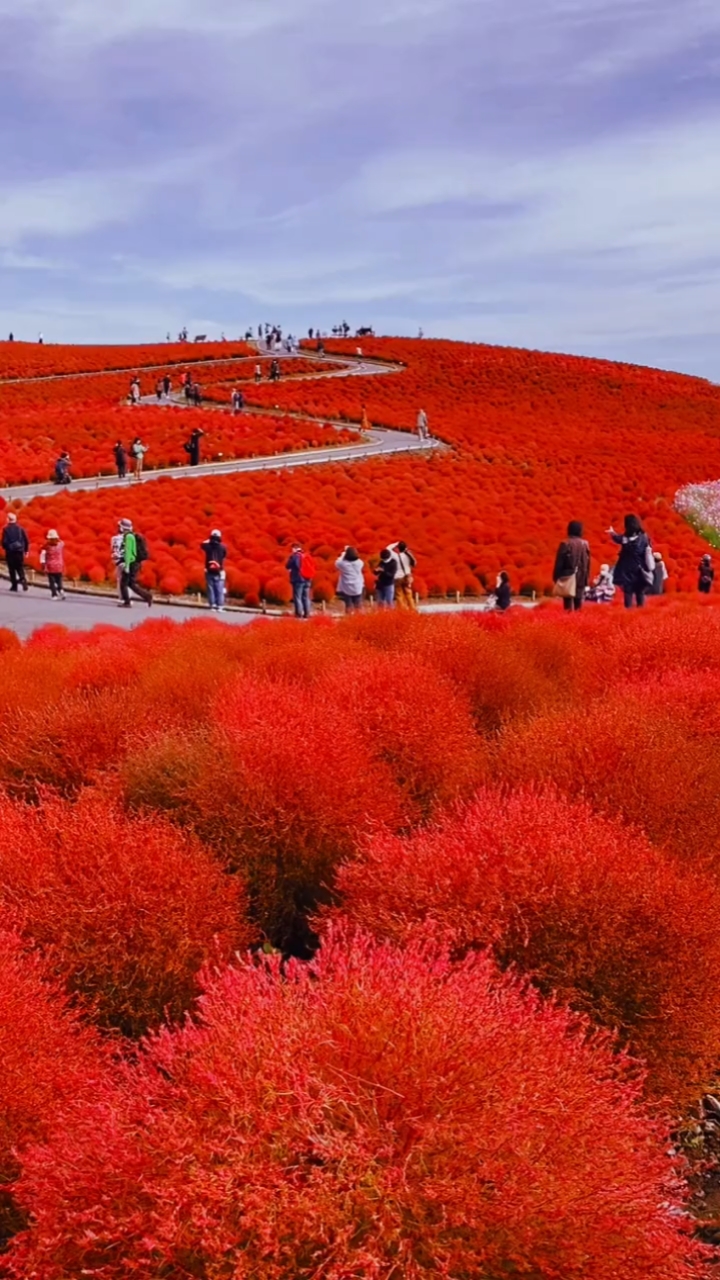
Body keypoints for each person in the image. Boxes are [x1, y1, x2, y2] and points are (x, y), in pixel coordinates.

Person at [608, 514, 654, 609]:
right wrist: (613, 533)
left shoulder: (625, 539)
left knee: (628, 592)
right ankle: (640, 614)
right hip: (640, 569)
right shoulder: (644, 537)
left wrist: (613, 534)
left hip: (627, 570)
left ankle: (629, 614)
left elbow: (619, 539)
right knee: (639, 592)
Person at [553, 520, 591, 611]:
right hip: (581, 576)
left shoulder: (565, 543)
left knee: (567, 602)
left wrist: (556, 576)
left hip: (567, 575)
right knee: (578, 601)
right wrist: (587, 578)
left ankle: (568, 620)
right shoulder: (585, 544)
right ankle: (578, 621)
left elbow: (559, 562)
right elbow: (588, 563)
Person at [118, 519, 152, 608]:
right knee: (131, 583)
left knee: (123, 584)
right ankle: (147, 596)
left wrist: (127, 566)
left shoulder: (128, 537)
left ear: (123, 528)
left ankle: (127, 602)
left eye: (119, 526)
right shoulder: (131, 535)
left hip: (132, 563)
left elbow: (128, 552)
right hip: (135, 563)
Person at [201, 529, 227, 611]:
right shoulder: (223, 547)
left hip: (209, 570)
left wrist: (209, 539)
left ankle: (212, 605)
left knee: (210, 588)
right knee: (219, 588)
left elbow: (202, 544)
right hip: (219, 571)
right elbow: (224, 556)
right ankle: (220, 606)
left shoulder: (207, 546)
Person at [2, 513, 29, 591]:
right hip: (19, 551)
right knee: (20, 567)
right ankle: (23, 579)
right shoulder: (21, 529)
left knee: (12, 569)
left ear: (8, 519)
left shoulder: (6, 529)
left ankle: (14, 585)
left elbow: (4, 541)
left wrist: (5, 547)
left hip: (10, 552)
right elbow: (26, 540)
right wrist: (26, 550)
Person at [286, 543, 314, 618]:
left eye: (292, 548)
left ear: (295, 548)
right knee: (306, 597)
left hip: (298, 579)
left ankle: (298, 614)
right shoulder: (307, 555)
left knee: (297, 596)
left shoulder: (294, 556)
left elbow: (288, 565)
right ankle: (307, 613)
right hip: (308, 579)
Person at [387, 541, 417, 610]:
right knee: (409, 594)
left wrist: (395, 543)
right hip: (407, 576)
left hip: (397, 577)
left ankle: (402, 611)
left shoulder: (395, 556)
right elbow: (414, 563)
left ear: (398, 548)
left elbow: (388, 548)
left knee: (399, 595)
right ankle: (413, 610)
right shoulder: (408, 555)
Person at [335, 546, 365, 612]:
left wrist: (343, 554)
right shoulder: (360, 563)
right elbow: (358, 558)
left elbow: (337, 562)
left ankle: (349, 618)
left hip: (347, 588)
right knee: (358, 605)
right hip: (357, 587)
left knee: (348, 605)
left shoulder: (343, 564)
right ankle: (359, 619)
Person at [40, 529, 65, 599]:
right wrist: (57, 539)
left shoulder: (47, 546)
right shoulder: (60, 545)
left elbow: (42, 551)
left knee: (52, 582)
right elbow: (62, 542)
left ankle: (54, 595)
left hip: (50, 567)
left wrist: (43, 565)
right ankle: (61, 590)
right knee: (59, 580)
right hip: (59, 566)